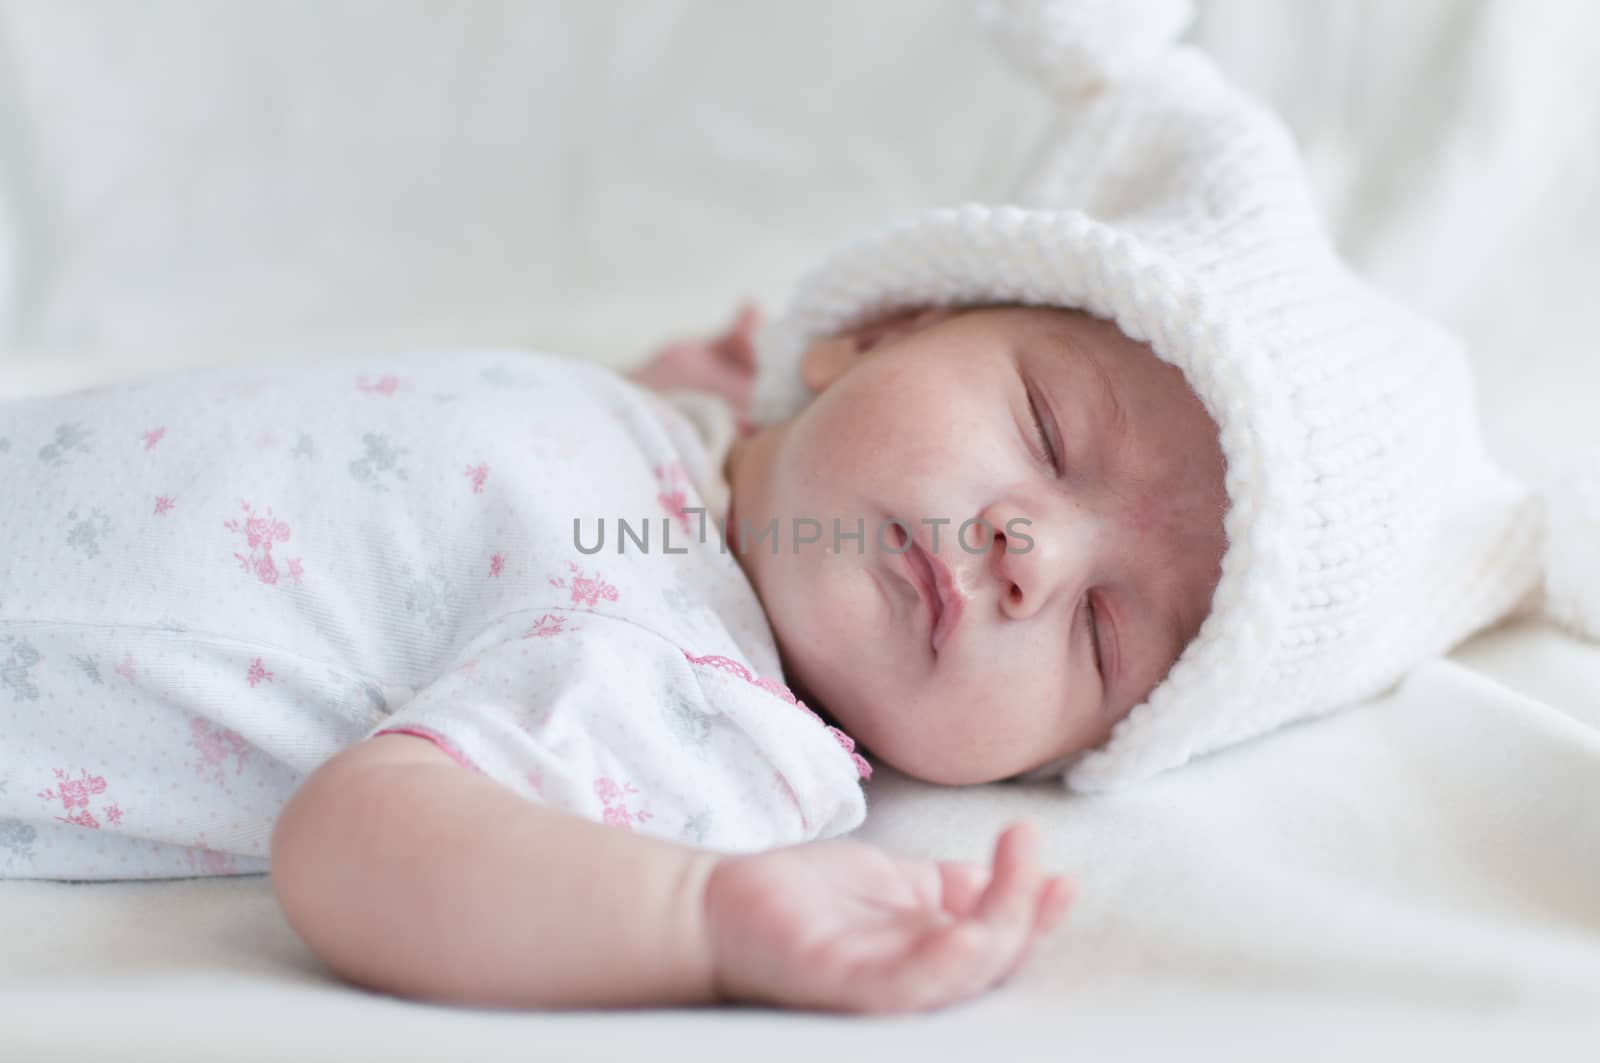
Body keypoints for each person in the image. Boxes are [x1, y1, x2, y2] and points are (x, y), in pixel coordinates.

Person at [3, 0, 1592, 1015]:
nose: (1035, 552)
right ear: (881, 326)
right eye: (1045, 425)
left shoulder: (696, 694)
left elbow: (357, 847)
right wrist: (696, 394)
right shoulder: (688, 448)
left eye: (1107, 635)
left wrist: (700, 919)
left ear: (1066, 758)